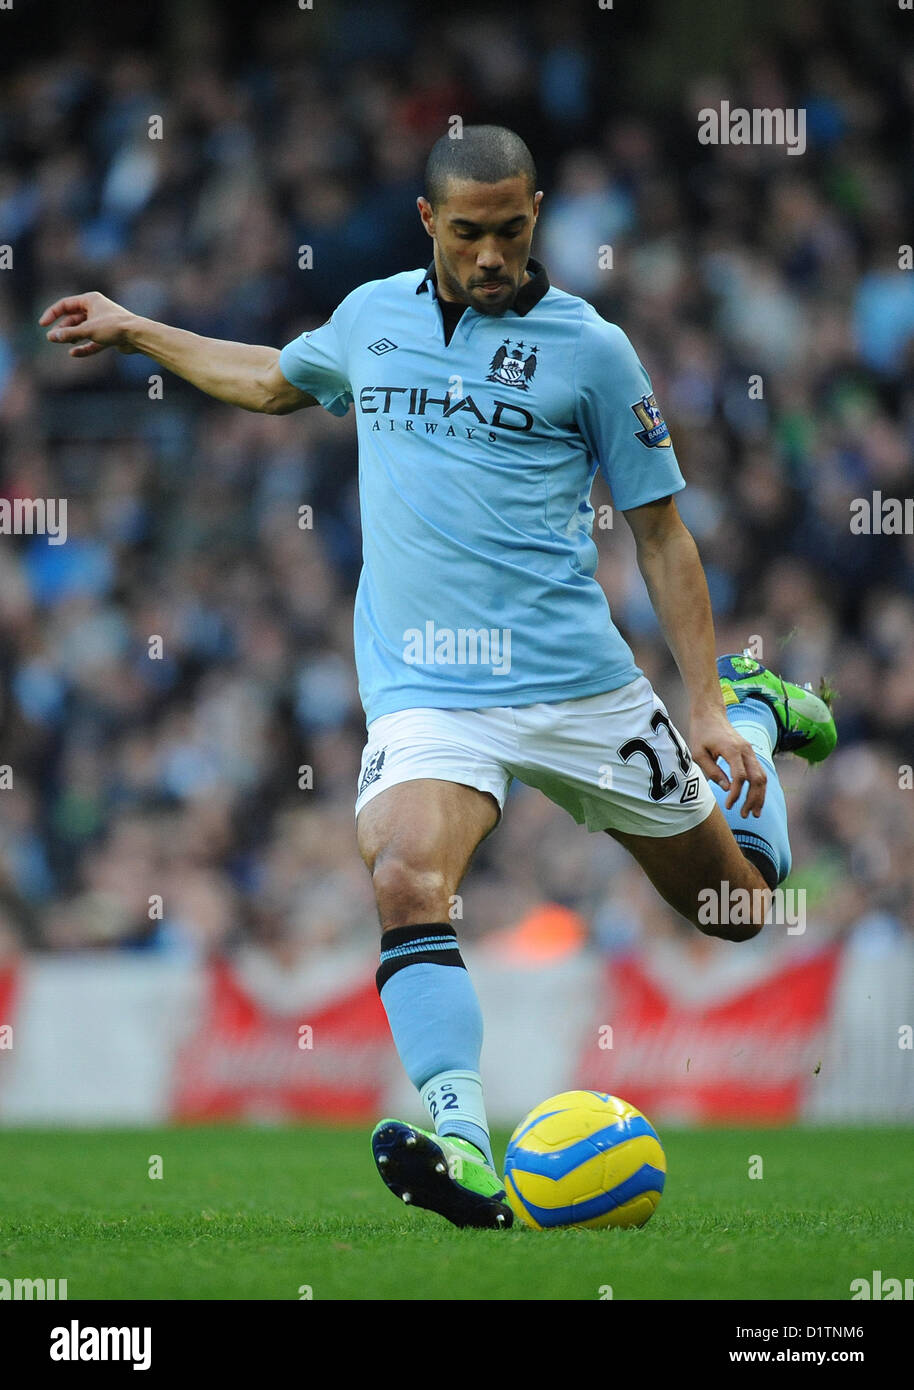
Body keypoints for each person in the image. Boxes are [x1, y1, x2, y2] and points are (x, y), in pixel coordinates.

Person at [40, 125, 836, 1230]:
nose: (493, 255)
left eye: (512, 230)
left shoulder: (592, 350)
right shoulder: (369, 318)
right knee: (407, 876)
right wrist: (134, 330)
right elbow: (273, 380)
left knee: (736, 911)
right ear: (429, 225)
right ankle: (463, 1142)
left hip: (578, 692)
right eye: (469, 234)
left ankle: (755, 705)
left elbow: (660, 533)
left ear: (537, 212)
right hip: (427, 693)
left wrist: (702, 701)